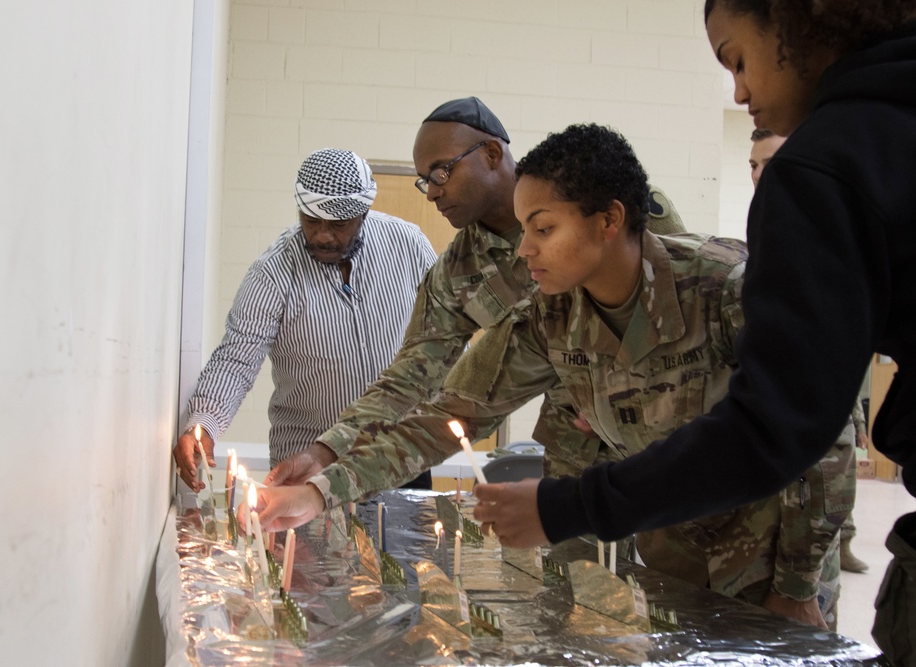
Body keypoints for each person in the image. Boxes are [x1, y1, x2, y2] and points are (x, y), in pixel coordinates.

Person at [259, 123, 850, 629]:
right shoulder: (551, 317)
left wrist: (797, 586)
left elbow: (824, 434)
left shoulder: (725, 288)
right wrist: (319, 490)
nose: (524, 252)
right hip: (674, 545)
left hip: (778, 552)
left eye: (542, 231)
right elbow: (439, 421)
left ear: (609, 220)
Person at [471, 1, 916, 661]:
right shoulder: (550, 315)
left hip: (763, 565)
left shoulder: (804, 190)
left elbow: (789, 428)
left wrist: (565, 508)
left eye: (737, 58)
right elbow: (473, 405)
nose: (738, 90)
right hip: (675, 556)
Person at [266, 98, 686, 496]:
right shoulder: (457, 272)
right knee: (578, 565)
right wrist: (328, 451)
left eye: (441, 173)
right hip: (574, 453)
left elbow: (677, 302)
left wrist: (618, 390)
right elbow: (409, 379)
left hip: (669, 426)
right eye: (424, 181)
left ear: (490, 154)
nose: (431, 192)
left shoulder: (599, 204)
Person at [173, 148, 437, 490]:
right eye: (311, 221)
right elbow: (236, 359)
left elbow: (445, 333)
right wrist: (203, 425)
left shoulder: (408, 245)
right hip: (306, 466)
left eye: (338, 225)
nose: (323, 235)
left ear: (363, 214)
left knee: (404, 545)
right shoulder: (273, 272)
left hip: (399, 457)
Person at [750, 127, 870, 575]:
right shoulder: (766, 229)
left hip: (820, 418)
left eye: (772, 163)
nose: (761, 175)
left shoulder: (830, 234)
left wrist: (853, 413)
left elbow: (846, 343)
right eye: (753, 165)